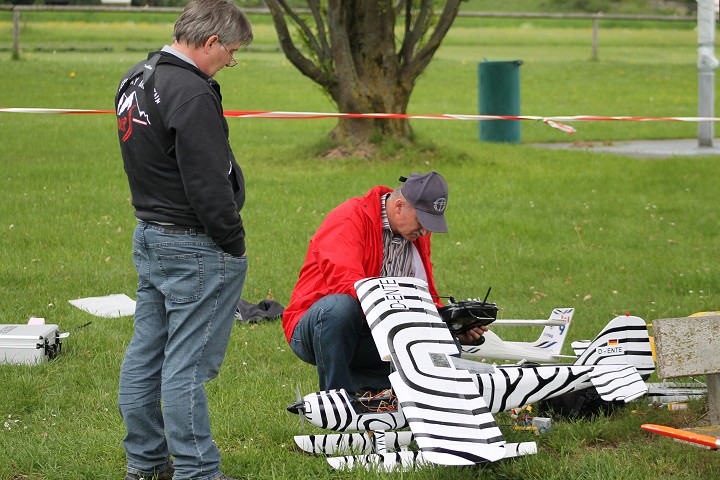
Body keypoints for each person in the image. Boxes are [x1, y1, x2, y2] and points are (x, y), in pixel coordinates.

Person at [114, 1, 252, 479]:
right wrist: (233, 243)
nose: (231, 62)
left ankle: (147, 463)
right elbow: (206, 182)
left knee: (147, 352)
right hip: (193, 242)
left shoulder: (136, 77)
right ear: (211, 42)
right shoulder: (191, 92)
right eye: (231, 51)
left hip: (151, 232)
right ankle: (197, 472)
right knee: (186, 366)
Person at [282, 172, 487, 402]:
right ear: (399, 206)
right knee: (341, 307)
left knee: (446, 343)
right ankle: (339, 399)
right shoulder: (350, 217)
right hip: (318, 327)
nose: (425, 232)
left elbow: (422, 294)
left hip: (374, 331)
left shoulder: (415, 235)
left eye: (431, 225)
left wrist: (454, 325)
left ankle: (388, 393)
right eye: (422, 222)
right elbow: (347, 285)